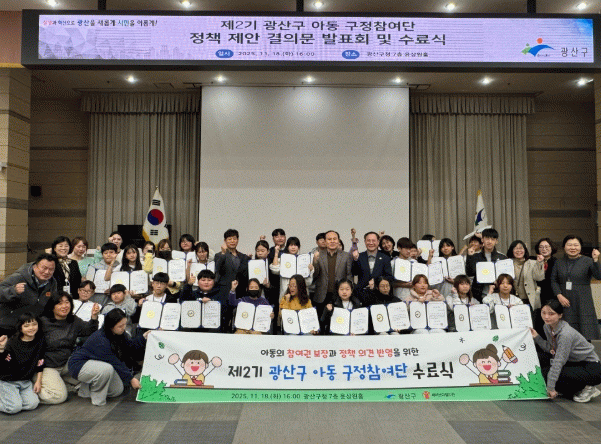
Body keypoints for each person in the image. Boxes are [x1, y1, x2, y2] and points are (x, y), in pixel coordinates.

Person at [68, 309, 149, 406]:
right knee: (107, 369)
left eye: (124, 324)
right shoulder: (101, 340)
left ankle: (85, 390)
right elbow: (115, 362)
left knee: (117, 390)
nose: (123, 328)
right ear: (111, 326)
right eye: (120, 326)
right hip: (79, 365)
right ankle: (98, 400)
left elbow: (130, 345)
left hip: (97, 364)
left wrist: (143, 337)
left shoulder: (119, 334)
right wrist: (131, 379)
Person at [531, 300, 601, 402]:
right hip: (573, 362)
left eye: (551, 314)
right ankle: (573, 388)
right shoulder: (547, 326)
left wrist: (550, 388)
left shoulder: (565, 334)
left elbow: (559, 361)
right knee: (544, 372)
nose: (546, 317)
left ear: (560, 315)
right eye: (543, 313)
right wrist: (536, 336)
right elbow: (551, 349)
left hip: (591, 366)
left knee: (551, 374)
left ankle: (588, 387)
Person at [38, 292, 99, 404]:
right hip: (48, 366)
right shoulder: (42, 322)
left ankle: (61, 382)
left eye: (67, 302)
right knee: (59, 397)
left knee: (90, 382)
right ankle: (29, 393)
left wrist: (94, 316)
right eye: (60, 303)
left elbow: (89, 330)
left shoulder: (73, 320)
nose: (64, 306)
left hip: (66, 364)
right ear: (52, 306)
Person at [551, 235, 601, 340]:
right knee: (566, 333)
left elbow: (598, 276)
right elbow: (554, 280)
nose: (572, 248)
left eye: (576, 245)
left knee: (585, 330)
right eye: (569, 245)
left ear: (580, 247)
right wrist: (559, 295)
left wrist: (596, 260)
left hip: (583, 301)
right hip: (565, 301)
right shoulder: (559, 262)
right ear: (564, 247)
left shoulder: (588, 261)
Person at [0, 253, 58, 336]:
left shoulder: (52, 283)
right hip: (8, 326)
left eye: (51, 269)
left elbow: (51, 304)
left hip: (30, 328)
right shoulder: (19, 277)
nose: (47, 272)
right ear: (35, 266)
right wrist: (13, 291)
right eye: (44, 268)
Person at [0, 313, 45, 414]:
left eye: (34, 324)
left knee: (32, 404)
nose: (31, 328)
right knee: (13, 408)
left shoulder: (40, 340)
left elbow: (40, 361)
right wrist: (2, 349)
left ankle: (12, 400)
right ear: (20, 328)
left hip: (25, 381)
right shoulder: (12, 342)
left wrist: (38, 381)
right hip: (8, 381)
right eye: (26, 326)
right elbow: (4, 363)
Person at [311, 230, 352, 314]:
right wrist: (315, 262)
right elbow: (315, 275)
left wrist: (349, 293)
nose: (332, 241)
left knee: (339, 319)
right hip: (321, 295)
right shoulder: (318, 255)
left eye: (334, 239)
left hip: (340, 295)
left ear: (338, 241)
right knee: (321, 319)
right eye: (329, 239)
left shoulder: (346, 256)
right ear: (325, 241)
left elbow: (349, 275)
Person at [466, 228, 508, 301]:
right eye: (487, 239)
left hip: (497, 294)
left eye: (492, 239)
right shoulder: (475, 256)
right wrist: (470, 257)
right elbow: (470, 273)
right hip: (478, 294)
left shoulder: (502, 257)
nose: (489, 241)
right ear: (482, 240)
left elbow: (506, 276)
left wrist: (498, 281)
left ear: (496, 241)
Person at [270, 237, 313, 302]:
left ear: (299, 247)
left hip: (301, 296)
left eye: (295, 245)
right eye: (291, 245)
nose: (293, 247)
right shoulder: (283, 258)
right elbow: (274, 270)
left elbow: (308, 282)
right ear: (287, 247)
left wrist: (311, 270)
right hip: (286, 295)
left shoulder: (304, 260)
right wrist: (276, 253)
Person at [506, 240, 544, 308]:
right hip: (512, 300)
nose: (518, 251)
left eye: (521, 248)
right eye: (516, 248)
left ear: (525, 250)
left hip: (529, 300)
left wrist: (540, 263)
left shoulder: (532, 263)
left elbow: (539, 278)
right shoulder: (508, 263)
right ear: (512, 250)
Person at [534, 237, 558, 308]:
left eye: (547, 247)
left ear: (551, 248)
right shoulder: (533, 262)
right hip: (537, 297)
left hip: (552, 296)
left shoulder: (557, 262)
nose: (544, 249)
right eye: (541, 247)